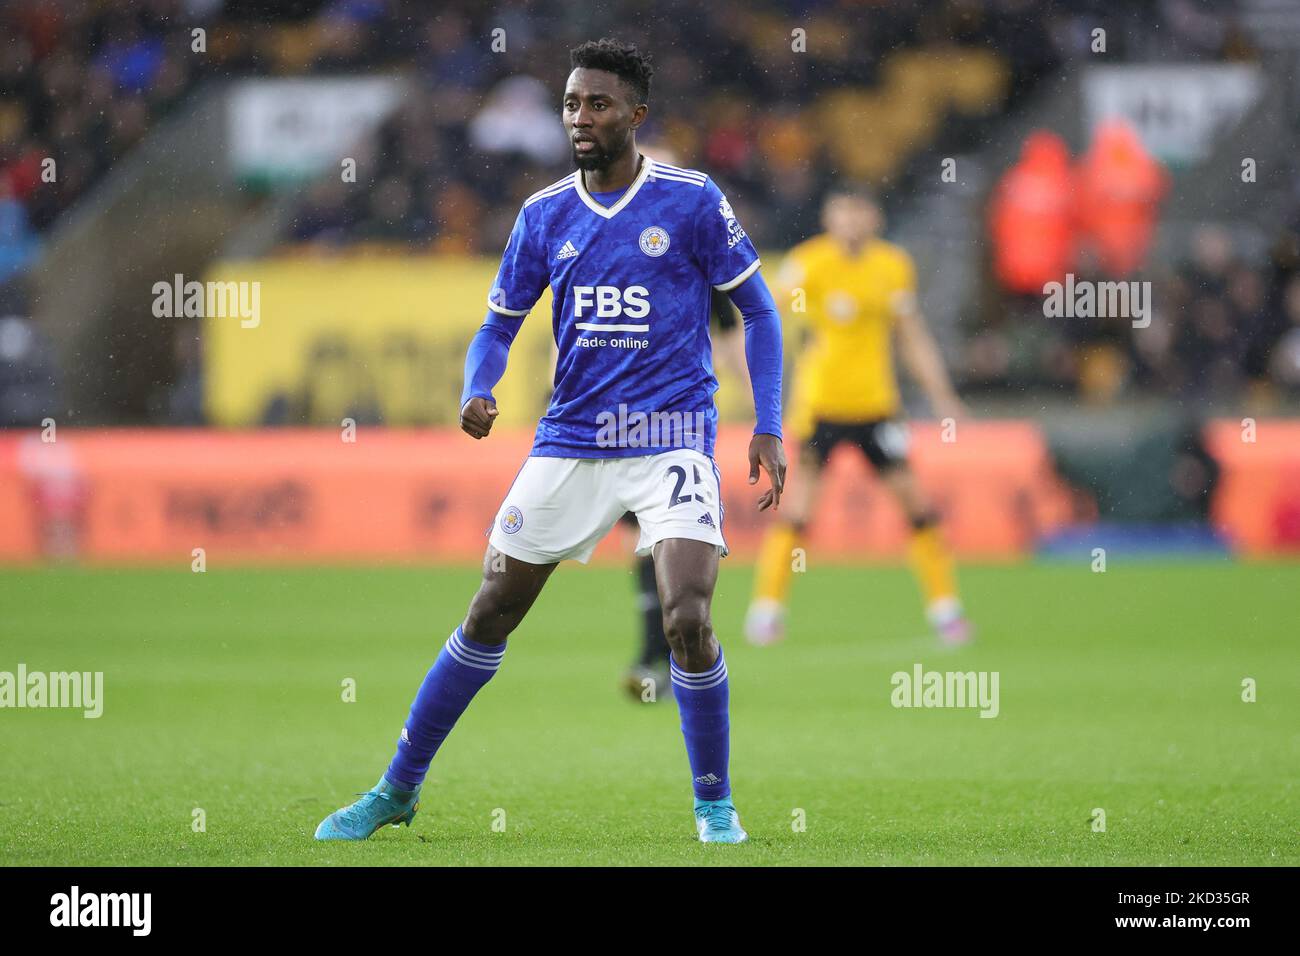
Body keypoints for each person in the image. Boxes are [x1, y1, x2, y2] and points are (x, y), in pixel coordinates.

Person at [316, 38, 786, 845]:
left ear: (636, 115)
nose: (579, 118)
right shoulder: (543, 216)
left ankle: (714, 806)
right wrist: (478, 384)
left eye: (597, 104)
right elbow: (497, 328)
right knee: (491, 608)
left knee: (687, 617)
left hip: (671, 439)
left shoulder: (693, 200)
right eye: (571, 104)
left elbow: (761, 312)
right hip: (570, 443)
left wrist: (769, 423)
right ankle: (396, 788)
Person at [745, 184, 971, 647]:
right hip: (820, 408)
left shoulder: (892, 266)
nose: (851, 221)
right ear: (829, 218)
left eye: (859, 211)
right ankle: (766, 610)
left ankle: (946, 610)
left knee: (918, 506)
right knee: (798, 510)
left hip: (877, 408)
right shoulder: (809, 263)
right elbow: (765, 313)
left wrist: (943, 395)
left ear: (875, 219)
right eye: (842, 211)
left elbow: (911, 336)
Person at [621, 287, 749, 702]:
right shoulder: (615, 259)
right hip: (619, 419)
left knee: (673, 544)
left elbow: (730, 331)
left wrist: (753, 400)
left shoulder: (699, 264)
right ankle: (658, 657)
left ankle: (666, 658)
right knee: (640, 545)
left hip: (682, 426)